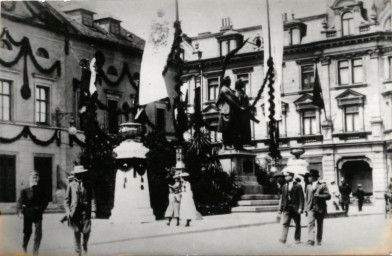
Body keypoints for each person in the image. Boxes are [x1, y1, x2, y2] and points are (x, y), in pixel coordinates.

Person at [64, 166, 96, 256]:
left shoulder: (88, 185)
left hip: (85, 212)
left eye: (81, 174)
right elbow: (66, 200)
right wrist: (68, 213)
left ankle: (84, 245)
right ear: (75, 174)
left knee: (87, 231)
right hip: (75, 213)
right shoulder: (71, 185)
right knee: (76, 232)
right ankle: (78, 252)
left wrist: (93, 211)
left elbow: (93, 198)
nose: (79, 175)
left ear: (83, 174)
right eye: (77, 174)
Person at [17, 171, 49, 255]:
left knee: (38, 234)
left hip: (38, 214)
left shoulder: (42, 190)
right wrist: (20, 212)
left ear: (38, 179)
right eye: (33, 177)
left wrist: (41, 209)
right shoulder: (24, 191)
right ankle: (24, 246)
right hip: (28, 214)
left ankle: (35, 252)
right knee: (27, 232)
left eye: (36, 177)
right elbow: (20, 202)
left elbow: (46, 201)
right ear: (30, 179)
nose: (34, 179)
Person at [216, 76, 245, 149]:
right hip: (227, 112)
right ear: (226, 81)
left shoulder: (229, 89)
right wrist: (239, 108)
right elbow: (230, 101)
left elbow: (235, 99)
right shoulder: (224, 89)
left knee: (232, 129)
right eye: (229, 81)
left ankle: (232, 144)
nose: (230, 82)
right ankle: (226, 145)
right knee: (227, 129)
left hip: (231, 112)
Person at [304, 169, 331, 246]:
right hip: (311, 208)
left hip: (320, 208)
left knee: (319, 224)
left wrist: (319, 196)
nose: (309, 178)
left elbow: (328, 196)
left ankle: (319, 239)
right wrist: (306, 209)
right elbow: (307, 198)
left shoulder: (323, 185)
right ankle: (311, 240)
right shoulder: (308, 186)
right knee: (310, 223)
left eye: (310, 176)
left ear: (315, 177)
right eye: (308, 176)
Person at [278, 172, 304, 244]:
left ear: (291, 176)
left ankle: (297, 239)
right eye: (285, 176)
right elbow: (283, 198)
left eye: (287, 176)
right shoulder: (284, 186)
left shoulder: (298, 185)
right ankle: (283, 239)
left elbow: (301, 197)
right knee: (285, 223)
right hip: (287, 208)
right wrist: (280, 209)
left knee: (297, 224)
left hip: (295, 207)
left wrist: (301, 208)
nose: (285, 177)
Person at [233, 79, 259, 148]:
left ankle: (241, 146)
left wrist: (250, 107)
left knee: (244, 132)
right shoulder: (236, 93)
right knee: (239, 132)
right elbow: (237, 104)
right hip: (239, 116)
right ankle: (238, 146)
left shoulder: (243, 92)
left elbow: (247, 103)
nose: (243, 85)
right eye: (242, 83)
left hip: (245, 116)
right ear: (238, 84)